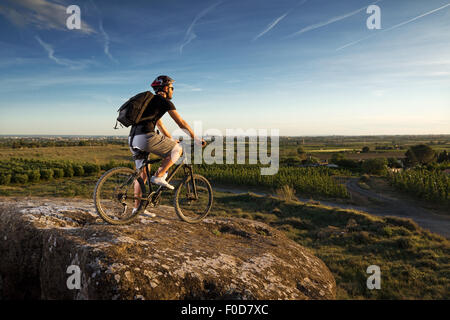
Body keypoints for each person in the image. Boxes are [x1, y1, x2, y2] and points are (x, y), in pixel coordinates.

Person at [128, 75, 205, 216]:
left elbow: (159, 124)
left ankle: (137, 209)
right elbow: (181, 123)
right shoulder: (164, 101)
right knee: (178, 149)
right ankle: (160, 175)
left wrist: (170, 139)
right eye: (172, 88)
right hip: (146, 137)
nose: (173, 91)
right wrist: (196, 138)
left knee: (142, 175)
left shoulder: (148, 101)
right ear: (165, 88)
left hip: (133, 138)